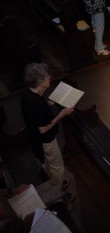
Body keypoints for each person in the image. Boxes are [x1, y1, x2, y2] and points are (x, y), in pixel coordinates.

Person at [20, 63, 73, 193]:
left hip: (34, 138)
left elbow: (36, 107)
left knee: (47, 162)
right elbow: (43, 129)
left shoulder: (27, 92)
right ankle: (59, 190)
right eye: (46, 76)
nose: (49, 77)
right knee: (57, 166)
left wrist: (49, 102)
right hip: (45, 140)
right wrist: (61, 114)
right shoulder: (37, 103)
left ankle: (54, 181)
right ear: (39, 82)